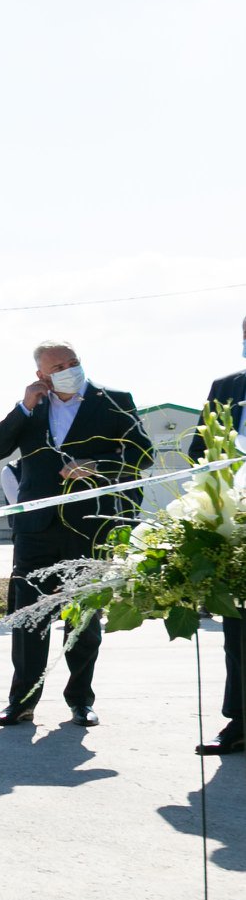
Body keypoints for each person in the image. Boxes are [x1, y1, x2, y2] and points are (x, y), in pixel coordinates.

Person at [0, 342, 148, 728]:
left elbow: (142, 454)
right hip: (35, 529)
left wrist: (97, 465)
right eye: (58, 366)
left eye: (73, 362)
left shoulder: (114, 401)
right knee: (29, 618)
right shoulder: (33, 407)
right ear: (41, 375)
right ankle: (21, 701)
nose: (68, 370)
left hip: (88, 527)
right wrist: (24, 407)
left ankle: (80, 700)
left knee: (84, 619)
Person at [188, 313, 246, 755]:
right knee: (239, 632)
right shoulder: (227, 387)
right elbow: (198, 452)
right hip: (237, 522)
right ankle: (240, 721)